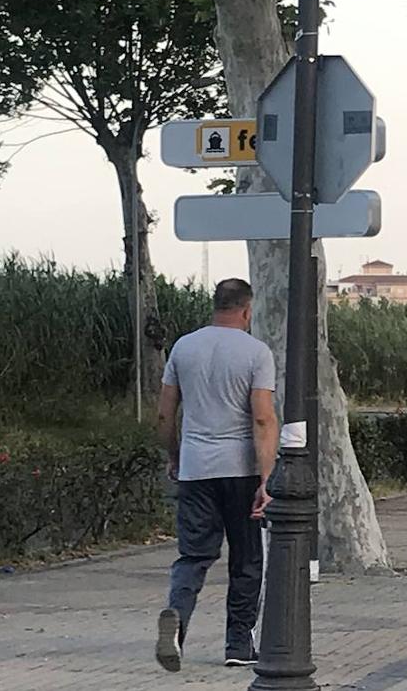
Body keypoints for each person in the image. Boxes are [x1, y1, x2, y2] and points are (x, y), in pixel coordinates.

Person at [155, 278, 278, 672]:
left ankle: (177, 616)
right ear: (246, 310)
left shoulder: (183, 347)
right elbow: (262, 417)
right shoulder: (256, 352)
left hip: (195, 468)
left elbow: (164, 414)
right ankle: (239, 644)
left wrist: (175, 457)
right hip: (240, 470)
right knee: (246, 559)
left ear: (215, 305)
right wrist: (266, 478)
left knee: (194, 554)